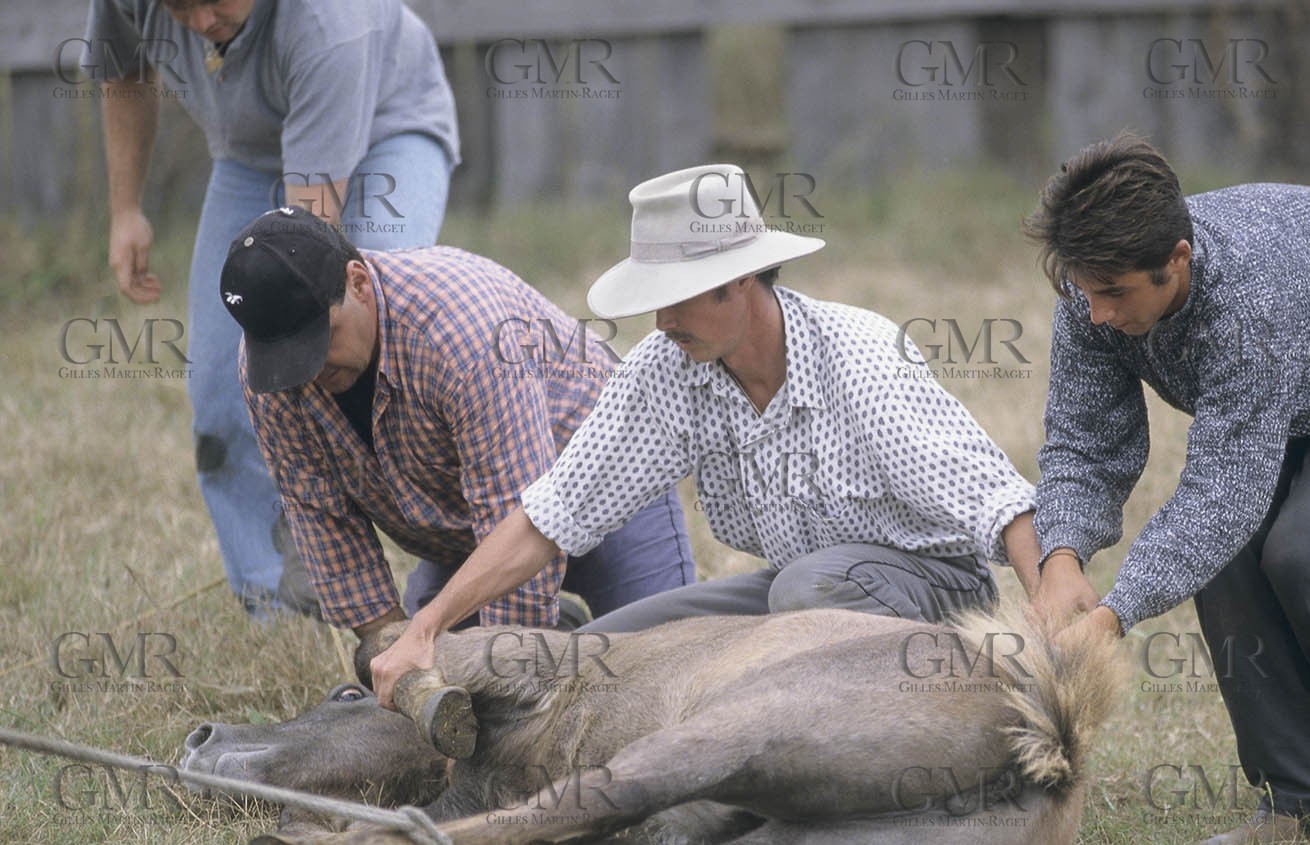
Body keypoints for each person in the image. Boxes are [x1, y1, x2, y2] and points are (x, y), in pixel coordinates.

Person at [369, 162, 1044, 705]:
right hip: (797, 593)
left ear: (741, 279)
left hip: (932, 593)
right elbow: (556, 510)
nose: (662, 319)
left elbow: (999, 501)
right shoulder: (670, 367)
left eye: (681, 294)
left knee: (805, 589)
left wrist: (1050, 629)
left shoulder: (861, 356)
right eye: (656, 298)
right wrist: (427, 627)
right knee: (587, 663)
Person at [1025, 134, 1310, 845]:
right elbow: (1086, 441)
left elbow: (1221, 499)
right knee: (1226, 562)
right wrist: (1062, 557)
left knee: (1306, 550)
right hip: (1292, 381)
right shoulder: (1091, 294)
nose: (1098, 313)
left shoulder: (1247, 305)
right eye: (1085, 290)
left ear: (1179, 259)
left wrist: (1111, 617)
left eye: (1114, 293)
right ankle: (1302, 799)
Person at [87, 0, 460, 617]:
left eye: (216, 0)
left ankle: (447, 568)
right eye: (181, 7)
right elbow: (125, 71)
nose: (204, 21)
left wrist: (305, 445)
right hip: (252, 153)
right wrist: (125, 210)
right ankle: (276, 602)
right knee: (216, 382)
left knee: (371, 332)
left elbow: (302, 258)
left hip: (389, 129)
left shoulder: (328, 25)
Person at [219, 206, 696, 640]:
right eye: (288, 354)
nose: (309, 367)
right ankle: (562, 633)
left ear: (359, 283)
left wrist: (509, 663)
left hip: (610, 498)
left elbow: (520, 520)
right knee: (440, 681)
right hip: (471, 537)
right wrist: (389, 648)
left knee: (663, 661)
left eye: (320, 337)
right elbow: (320, 513)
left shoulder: (461, 332)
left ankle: (562, 636)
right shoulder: (271, 372)